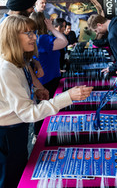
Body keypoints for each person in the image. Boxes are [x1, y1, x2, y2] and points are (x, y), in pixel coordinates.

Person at [0, 15, 93, 188]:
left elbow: (16, 93)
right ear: (12, 36)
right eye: (28, 33)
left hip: (15, 129)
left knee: (19, 173)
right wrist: (68, 97)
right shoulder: (6, 69)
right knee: (8, 180)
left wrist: (36, 91)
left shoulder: (16, 62)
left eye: (33, 32)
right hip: (6, 133)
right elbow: (29, 114)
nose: (34, 37)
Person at [29, 12, 68, 141]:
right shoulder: (44, 38)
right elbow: (64, 41)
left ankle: (37, 133)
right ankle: (40, 135)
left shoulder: (36, 39)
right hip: (48, 79)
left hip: (44, 78)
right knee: (45, 108)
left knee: (42, 107)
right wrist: (51, 28)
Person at [0, 0, 44, 81]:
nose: (33, 10)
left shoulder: (11, 23)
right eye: (31, 6)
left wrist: (35, 62)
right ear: (22, 7)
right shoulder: (4, 26)